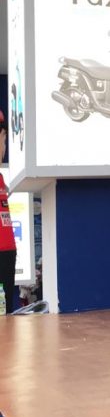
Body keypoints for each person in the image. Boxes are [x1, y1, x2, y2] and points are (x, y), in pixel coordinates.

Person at [0, 110, 17, 313]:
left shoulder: (1, 179)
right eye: (3, 140)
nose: (3, 148)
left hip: (7, 250)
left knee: (6, 311)